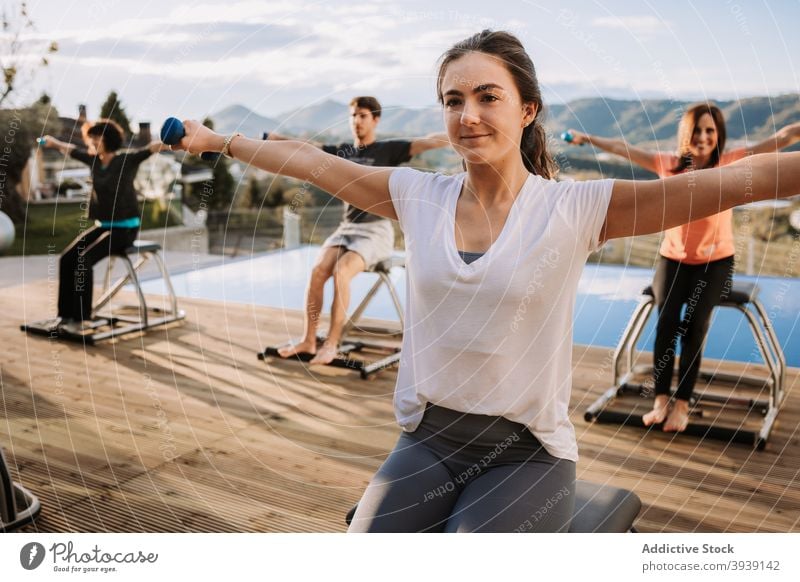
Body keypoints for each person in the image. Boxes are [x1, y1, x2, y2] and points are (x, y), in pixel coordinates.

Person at [172, 30, 800, 532]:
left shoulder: (575, 208)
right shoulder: (418, 197)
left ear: (527, 110)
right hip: (428, 441)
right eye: (452, 100)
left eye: (487, 97)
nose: (467, 115)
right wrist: (217, 141)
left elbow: (745, 180)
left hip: (526, 452)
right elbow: (312, 161)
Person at [566, 106, 800, 432]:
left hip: (716, 263)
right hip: (672, 259)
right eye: (697, 130)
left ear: (718, 136)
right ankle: (660, 399)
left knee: (694, 329)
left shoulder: (730, 164)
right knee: (666, 324)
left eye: (710, 131)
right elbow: (623, 149)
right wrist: (585, 137)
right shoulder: (668, 165)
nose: (703, 137)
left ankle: (682, 405)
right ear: (686, 135)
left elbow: (782, 138)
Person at [267, 96, 449, 364]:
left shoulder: (389, 149)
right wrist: (274, 138)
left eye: (362, 115)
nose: (356, 121)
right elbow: (308, 147)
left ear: (375, 119)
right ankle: (308, 340)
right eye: (353, 115)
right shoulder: (343, 151)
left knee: (342, 271)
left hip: (376, 230)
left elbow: (429, 141)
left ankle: (331, 344)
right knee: (318, 272)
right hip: (347, 226)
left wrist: (463, 133)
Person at [40, 120, 170, 333]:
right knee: (67, 259)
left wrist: (173, 142)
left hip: (126, 228)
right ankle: (65, 316)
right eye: (91, 137)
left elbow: (150, 148)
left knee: (84, 260)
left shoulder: (126, 160)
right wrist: (53, 143)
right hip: (104, 225)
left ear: (108, 139)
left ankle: (82, 319)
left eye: (97, 137)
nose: (92, 141)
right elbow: (71, 150)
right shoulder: (94, 161)